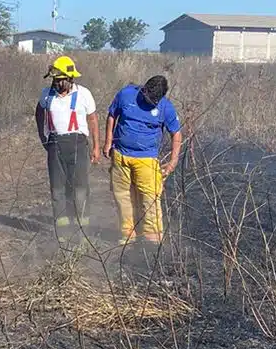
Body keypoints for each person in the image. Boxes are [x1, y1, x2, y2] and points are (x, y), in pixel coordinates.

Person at [103, 74, 182, 246]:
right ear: (143, 89)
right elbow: (111, 115)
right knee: (122, 196)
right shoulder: (126, 95)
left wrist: (173, 161)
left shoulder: (166, 108)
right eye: (146, 97)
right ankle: (127, 234)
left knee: (150, 198)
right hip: (120, 156)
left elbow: (176, 132)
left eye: (153, 100)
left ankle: (152, 239)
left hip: (146, 159)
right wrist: (108, 141)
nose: (149, 102)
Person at [35, 56, 100, 243]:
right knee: (57, 190)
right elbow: (39, 113)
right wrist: (43, 136)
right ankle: (62, 234)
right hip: (55, 144)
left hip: (79, 144)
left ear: (70, 78)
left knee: (79, 190)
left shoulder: (83, 94)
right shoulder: (47, 95)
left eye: (59, 80)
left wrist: (96, 146)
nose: (56, 83)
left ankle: (81, 233)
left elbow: (93, 120)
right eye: (54, 79)